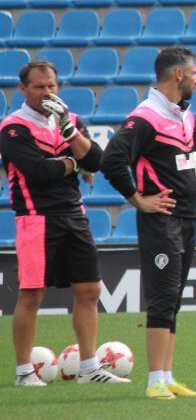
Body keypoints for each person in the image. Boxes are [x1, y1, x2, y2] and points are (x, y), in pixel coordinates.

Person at [100, 46, 196, 400]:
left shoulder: (184, 116)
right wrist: (138, 199)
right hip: (160, 220)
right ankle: (154, 381)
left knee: (174, 298)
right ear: (178, 75)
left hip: (186, 216)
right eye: (194, 71)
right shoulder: (145, 117)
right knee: (163, 298)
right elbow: (111, 160)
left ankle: (167, 375)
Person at [0, 61, 131, 387]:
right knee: (32, 295)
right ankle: (24, 372)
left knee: (89, 289)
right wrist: (74, 162)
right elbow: (39, 172)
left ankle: (88, 367)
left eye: (52, 86)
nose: (47, 93)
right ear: (24, 89)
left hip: (75, 215)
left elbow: (97, 161)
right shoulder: (13, 128)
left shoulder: (70, 120)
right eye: (40, 87)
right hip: (35, 217)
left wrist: (69, 133)